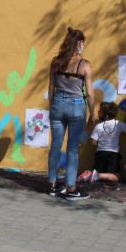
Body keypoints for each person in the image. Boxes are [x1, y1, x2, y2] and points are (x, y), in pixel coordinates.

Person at [47, 28, 96, 201]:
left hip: (58, 104)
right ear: (79, 43)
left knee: (55, 145)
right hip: (76, 106)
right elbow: (89, 93)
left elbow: (51, 88)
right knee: (73, 149)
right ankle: (71, 188)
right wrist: (93, 114)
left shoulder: (55, 62)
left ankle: (52, 185)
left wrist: (53, 107)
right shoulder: (84, 65)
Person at [79, 102, 126, 184]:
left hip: (100, 153)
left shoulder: (98, 126)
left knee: (100, 173)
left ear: (106, 116)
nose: (98, 113)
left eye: (100, 112)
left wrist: (97, 149)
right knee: (117, 177)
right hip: (113, 155)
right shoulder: (118, 124)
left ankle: (91, 174)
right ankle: (95, 175)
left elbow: (93, 142)